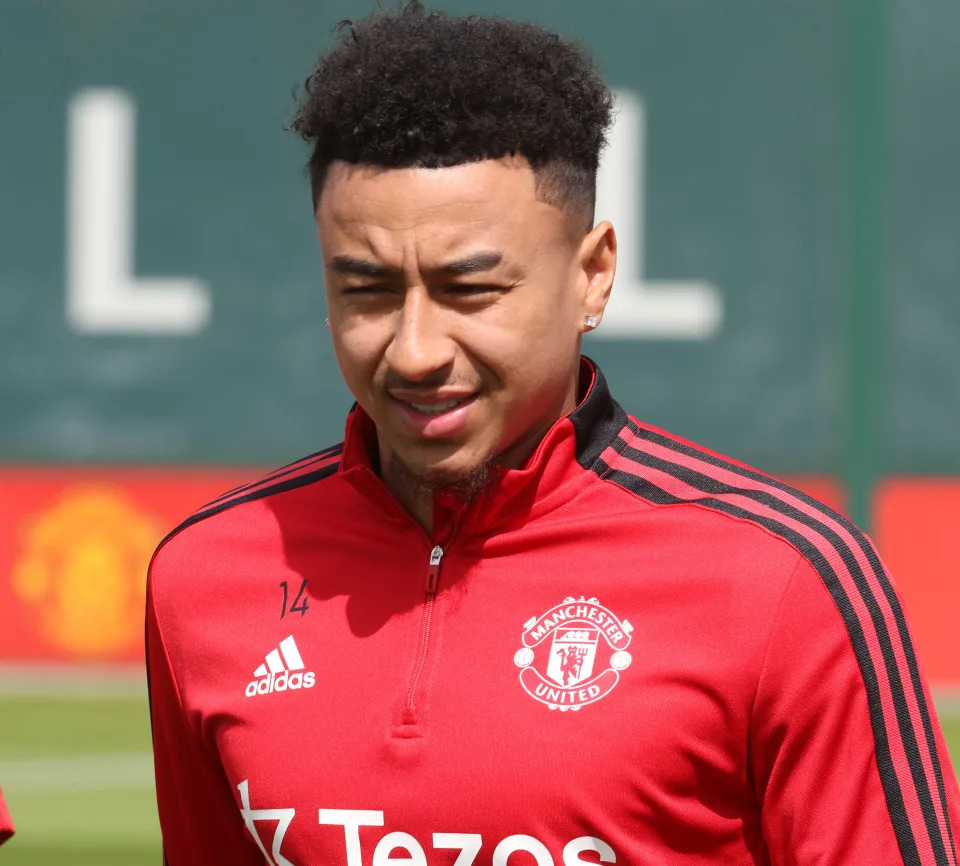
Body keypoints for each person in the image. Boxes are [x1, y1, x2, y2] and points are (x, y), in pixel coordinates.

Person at [145, 3, 960, 864]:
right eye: (368, 291)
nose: (415, 350)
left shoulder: (785, 581)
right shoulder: (205, 578)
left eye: (471, 290)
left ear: (592, 276)